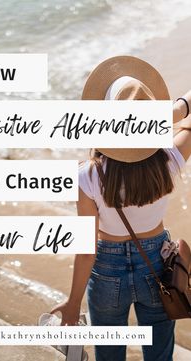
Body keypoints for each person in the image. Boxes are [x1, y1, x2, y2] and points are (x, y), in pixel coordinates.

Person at [50, 56, 191, 361]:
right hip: (156, 264)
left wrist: (73, 303)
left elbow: (86, 250)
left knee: (109, 353)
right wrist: (174, 112)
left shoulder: (86, 175)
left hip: (106, 271)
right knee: (159, 354)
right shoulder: (168, 160)